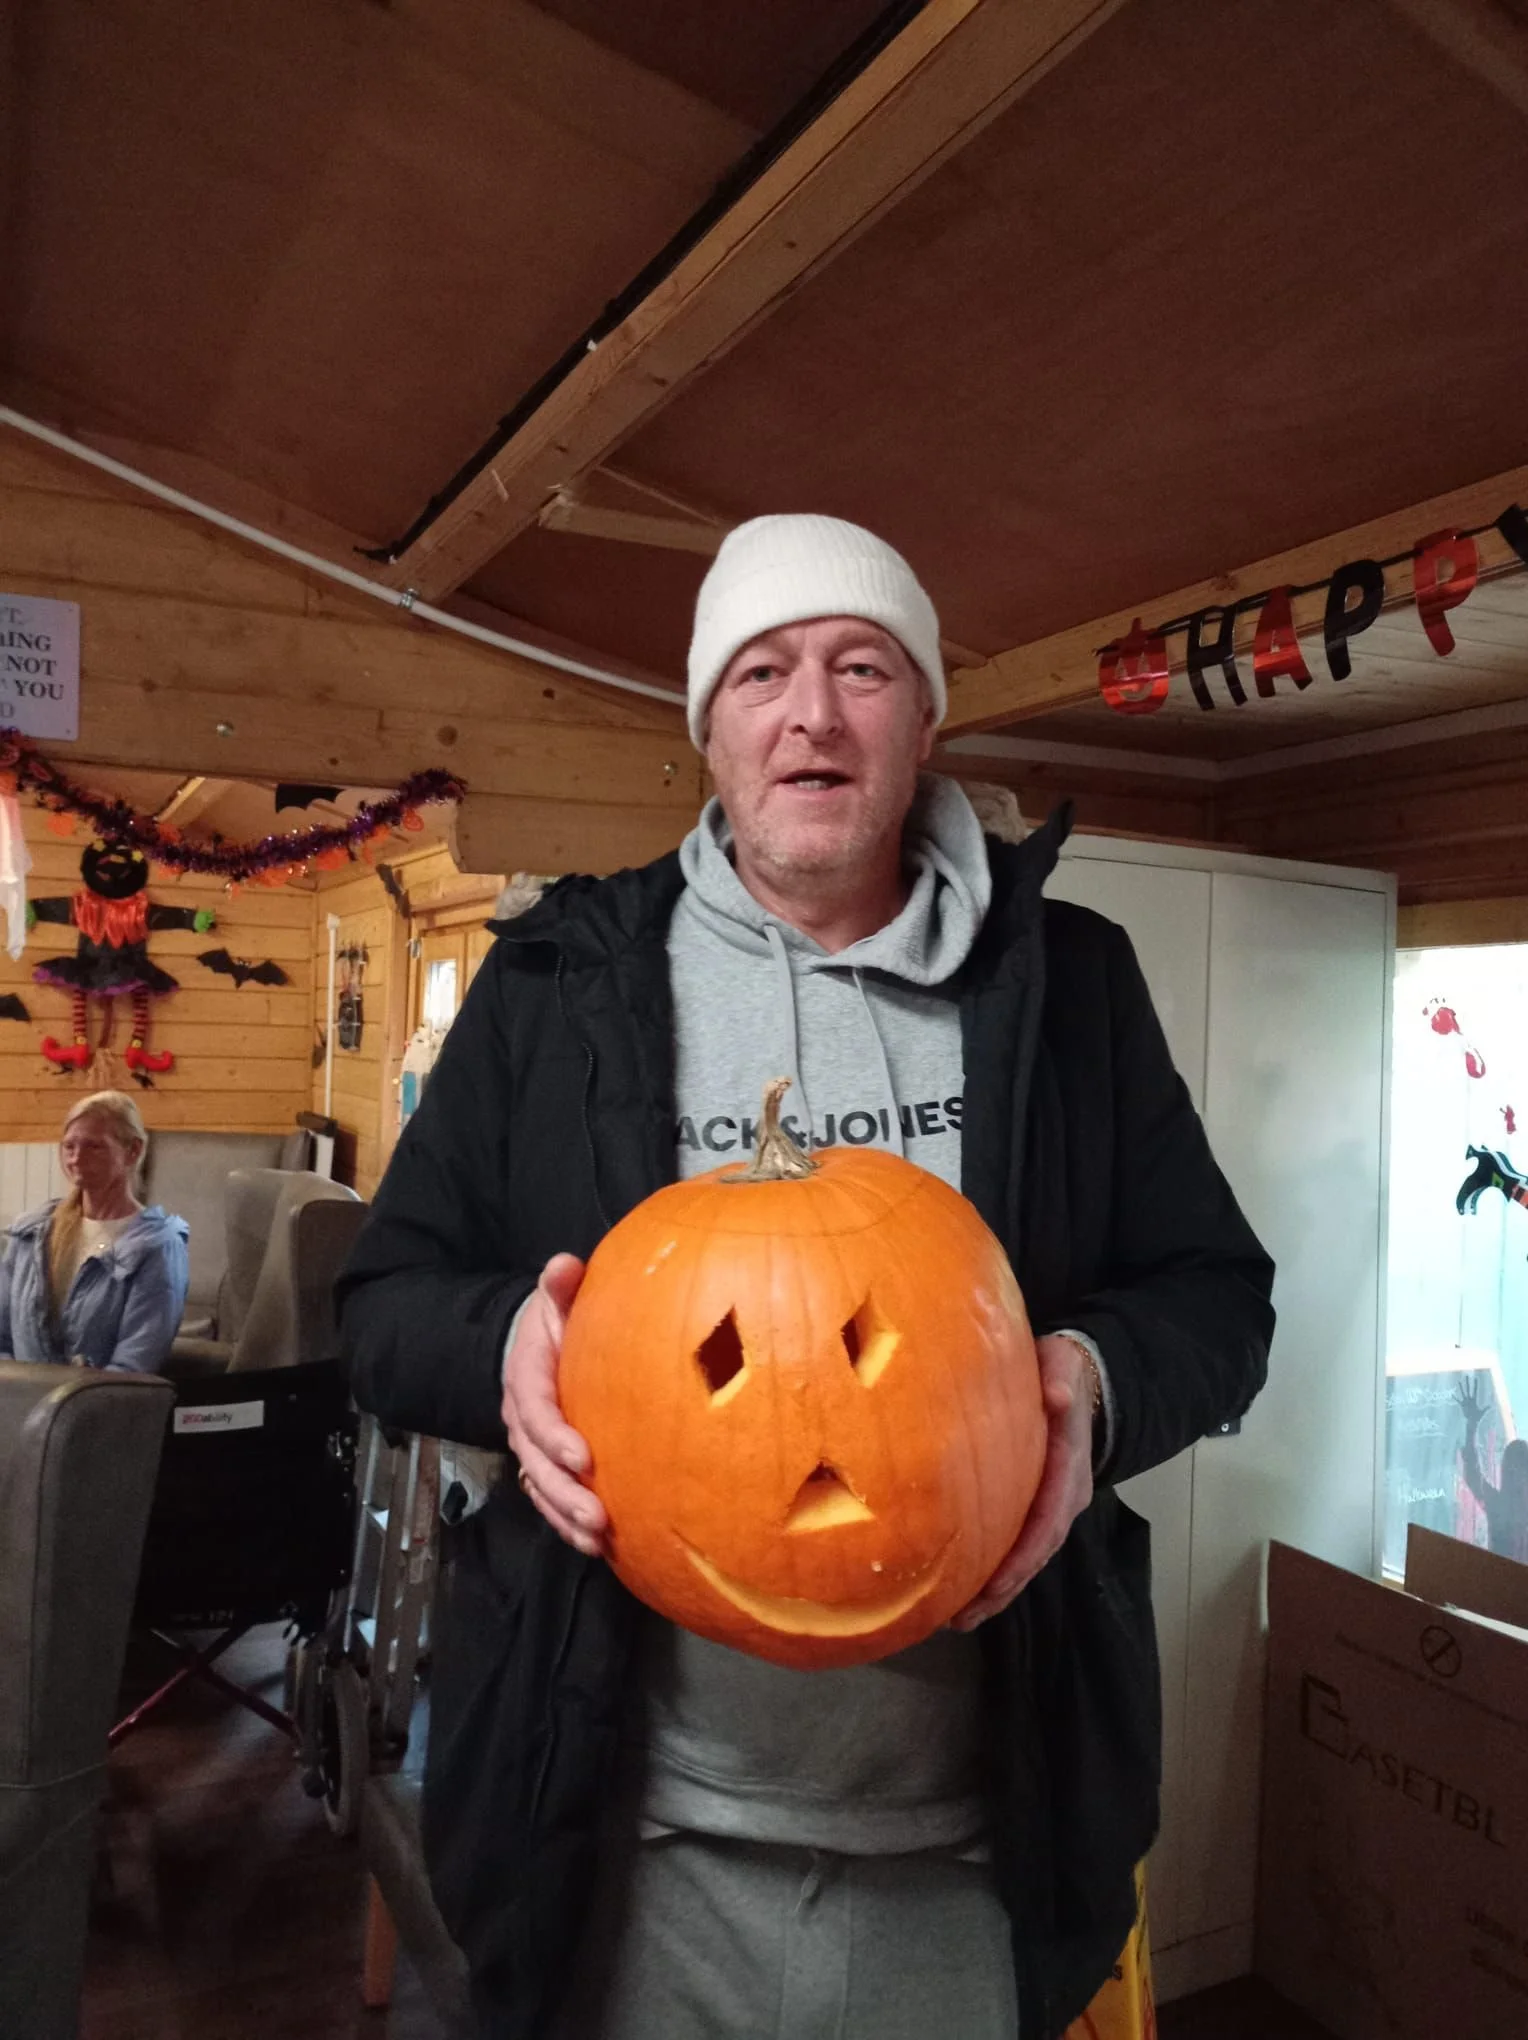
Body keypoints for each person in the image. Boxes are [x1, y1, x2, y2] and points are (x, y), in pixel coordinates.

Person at [339, 514, 1276, 2039]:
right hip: (625, 1829)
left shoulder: (1074, 983)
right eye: (764, 674)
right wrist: (505, 1344)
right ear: (710, 730)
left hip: (978, 1837)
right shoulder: (557, 982)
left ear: (922, 722)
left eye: (862, 668)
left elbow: (1218, 1299)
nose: (813, 714)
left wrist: (1090, 1385)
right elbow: (380, 1306)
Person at [0, 1089, 188, 1373]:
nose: (76, 1158)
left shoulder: (158, 1246)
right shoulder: (31, 1233)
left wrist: (64, 1406)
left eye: (93, 1146)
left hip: (98, 1409)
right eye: (69, 1146)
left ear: (132, 1150)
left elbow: (134, 1365)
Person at [1455, 1374, 1528, 1563]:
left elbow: (1472, 1473)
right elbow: (1472, 1473)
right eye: (1514, 1470)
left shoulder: (1499, 1505)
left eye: (1522, 1469)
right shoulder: (1499, 1506)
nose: (1519, 1477)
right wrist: (1471, 1427)